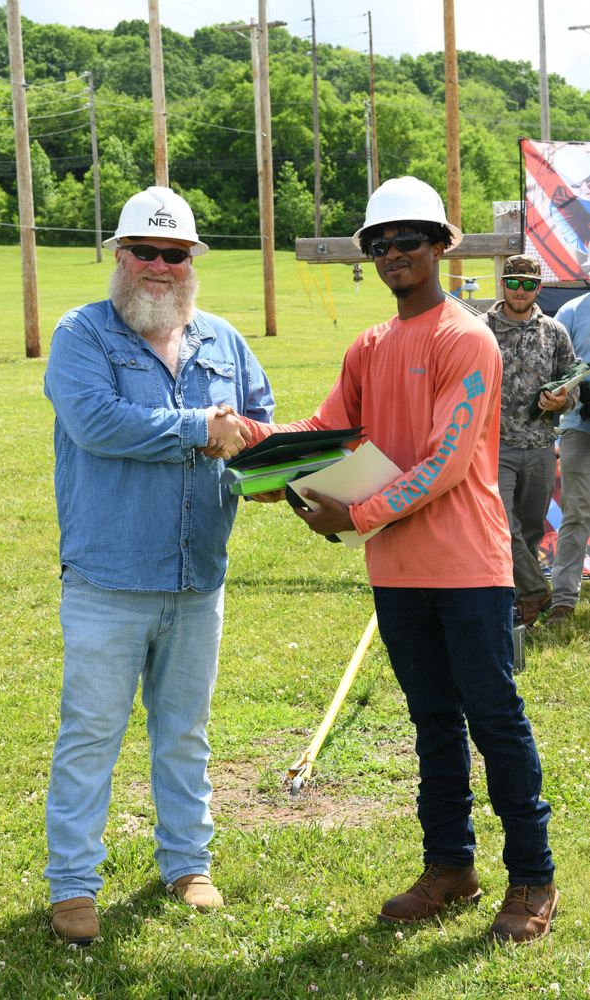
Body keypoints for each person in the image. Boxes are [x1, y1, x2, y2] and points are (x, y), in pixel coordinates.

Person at [238, 177, 557, 944]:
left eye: (407, 240)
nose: (391, 254)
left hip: (469, 569)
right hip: (396, 571)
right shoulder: (370, 347)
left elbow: (447, 460)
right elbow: (328, 427)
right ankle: (450, 867)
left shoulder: (465, 339)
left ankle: (532, 878)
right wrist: (262, 459)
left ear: (440, 246)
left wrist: (359, 513)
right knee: (431, 723)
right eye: (378, 244)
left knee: (495, 718)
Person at [43, 186, 274, 944]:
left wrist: (286, 475)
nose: (158, 265)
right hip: (109, 578)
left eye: (173, 253)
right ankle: (74, 885)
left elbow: (258, 426)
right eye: (144, 250)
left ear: (191, 262)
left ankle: (186, 862)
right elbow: (97, 422)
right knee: (91, 733)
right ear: (119, 255)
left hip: (197, 575)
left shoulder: (225, 343)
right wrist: (199, 428)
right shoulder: (82, 335)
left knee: (184, 731)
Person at [483, 255, 578, 626]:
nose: (519, 290)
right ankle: (538, 591)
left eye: (527, 283)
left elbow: (571, 384)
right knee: (502, 529)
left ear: (538, 288)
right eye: (513, 282)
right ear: (502, 284)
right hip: (494, 446)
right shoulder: (480, 329)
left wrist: (563, 399)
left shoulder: (554, 332)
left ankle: (521, 604)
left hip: (540, 446)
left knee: (532, 530)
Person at [546, 290, 590, 624]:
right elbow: (552, 365)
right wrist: (574, 392)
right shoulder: (572, 311)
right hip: (580, 426)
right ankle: (563, 599)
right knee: (576, 513)